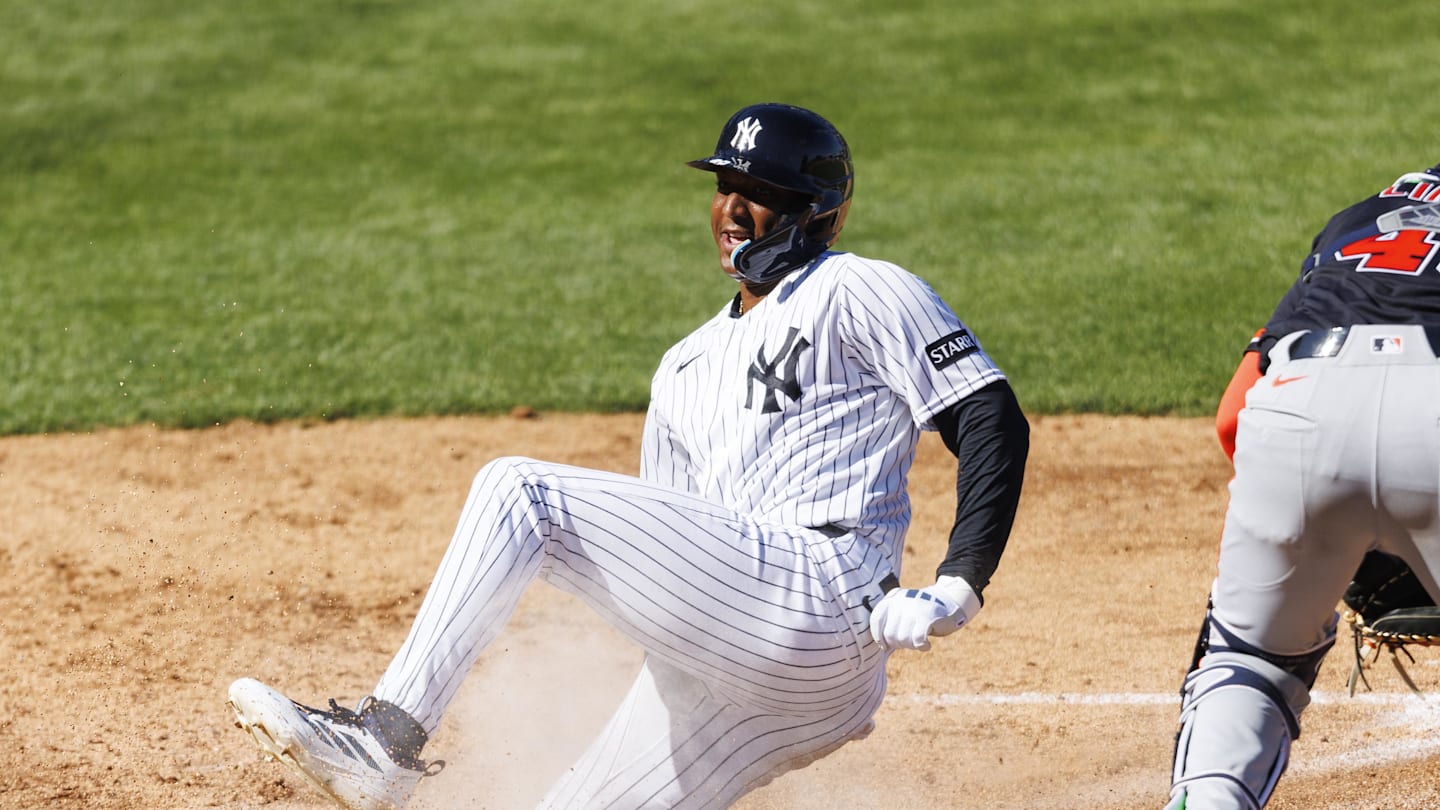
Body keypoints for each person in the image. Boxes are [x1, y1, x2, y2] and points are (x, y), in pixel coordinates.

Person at [227, 102, 1030, 810]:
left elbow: (989, 415)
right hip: (747, 661)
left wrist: (958, 584)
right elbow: (675, 558)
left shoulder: (856, 289)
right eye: (723, 187)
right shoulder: (683, 366)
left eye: (761, 193)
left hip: (822, 600)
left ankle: (384, 742)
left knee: (519, 494)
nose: (732, 208)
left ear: (819, 211)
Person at [1166, 163, 1440, 809]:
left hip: (1299, 405)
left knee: (1253, 662)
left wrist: (1336, 540)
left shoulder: (1356, 221)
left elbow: (1234, 415)